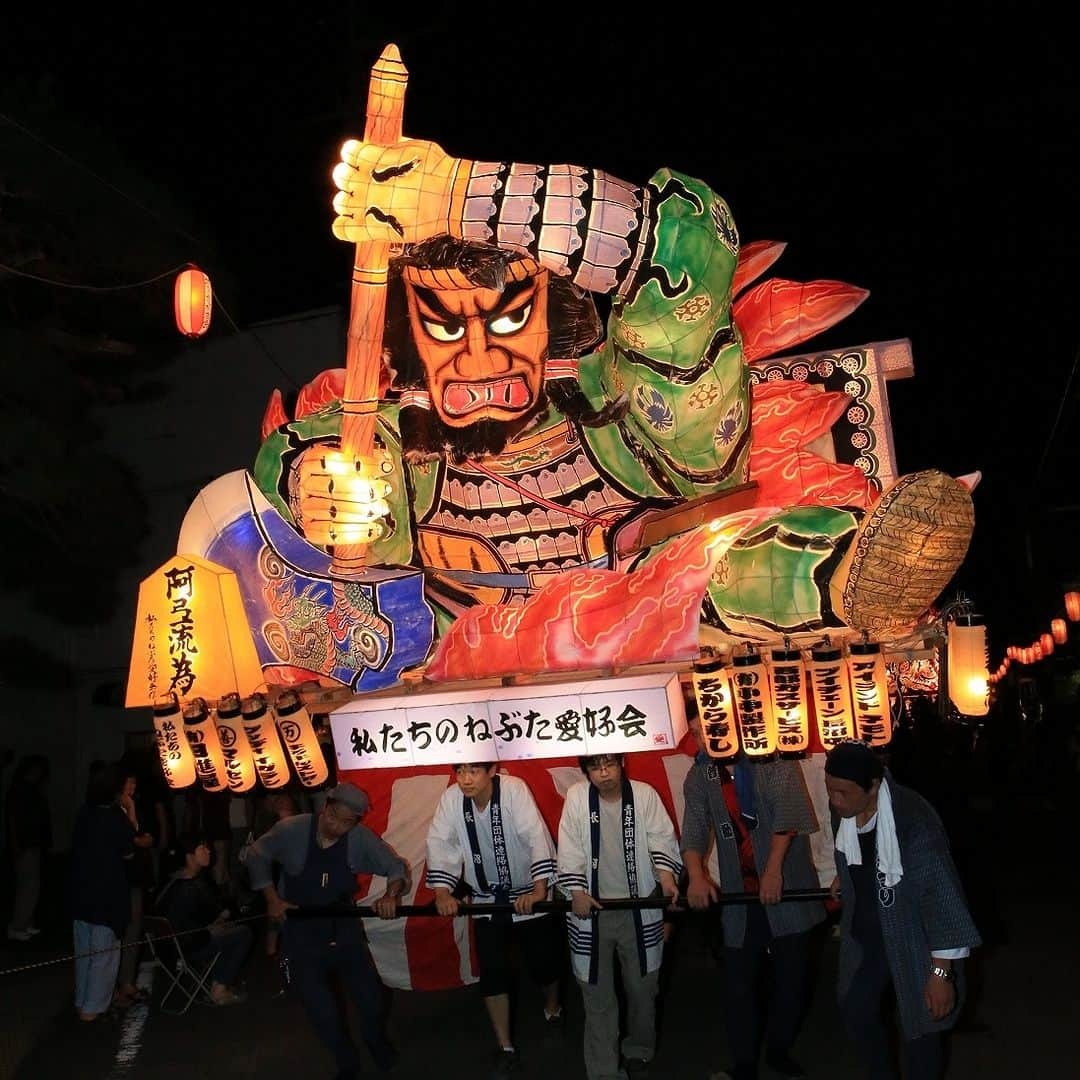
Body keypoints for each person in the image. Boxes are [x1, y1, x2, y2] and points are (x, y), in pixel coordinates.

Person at [680, 711, 825, 1080]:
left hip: (787, 885)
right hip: (739, 897)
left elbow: (788, 818)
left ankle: (778, 1051)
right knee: (738, 984)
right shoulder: (702, 774)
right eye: (694, 732)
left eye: (705, 730)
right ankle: (743, 1064)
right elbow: (695, 829)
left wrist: (773, 870)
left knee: (791, 981)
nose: (699, 739)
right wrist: (696, 875)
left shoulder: (769, 758)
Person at [824, 739, 981, 1079]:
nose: (835, 801)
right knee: (856, 1009)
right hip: (869, 938)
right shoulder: (844, 810)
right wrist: (846, 875)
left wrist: (941, 975)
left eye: (843, 793)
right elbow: (854, 852)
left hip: (915, 940)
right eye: (830, 790)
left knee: (922, 1029)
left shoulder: (913, 819)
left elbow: (940, 896)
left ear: (874, 786)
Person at [244, 782, 409, 1080]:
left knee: (372, 1000)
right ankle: (346, 1062)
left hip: (342, 925)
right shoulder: (292, 830)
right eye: (333, 816)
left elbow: (395, 866)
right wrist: (272, 899)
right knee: (323, 1011)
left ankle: (376, 1042)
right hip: (301, 930)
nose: (335, 826)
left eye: (346, 822)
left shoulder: (359, 839)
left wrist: (391, 894)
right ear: (326, 806)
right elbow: (256, 854)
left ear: (355, 821)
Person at [426, 761, 562, 1076]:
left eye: (473, 771)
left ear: (492, 770)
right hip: (486, 899)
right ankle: (505, 1045)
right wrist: (443, 893)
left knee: (544, 963)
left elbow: (534, 834)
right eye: (459, 771)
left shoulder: (514, 790)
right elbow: (441, 843)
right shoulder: (450, 799)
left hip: (527, 892)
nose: (465, 779)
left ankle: (553, 1009)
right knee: (492, 971)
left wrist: (540, 891)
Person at [557, 753, 682, 1080]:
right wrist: (576, 890)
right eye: (595, 767)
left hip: (639, 909)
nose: (603, 773)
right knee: (597, 995)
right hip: (592, 912)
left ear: (621, 763)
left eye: (609, 765)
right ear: (585, 771)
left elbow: (662, 839)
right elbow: (568, 847)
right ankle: (603, 1071)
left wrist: (666, 876)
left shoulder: (643, 794)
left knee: (643, 988)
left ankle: (640, 1047)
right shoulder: (576, 797)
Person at [68, 763, 149, 1021]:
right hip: (107, 891)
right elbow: (128, 849)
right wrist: (131, 812)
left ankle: (83, 1001)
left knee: (84, 950)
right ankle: (93, 1009)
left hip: (81, 889)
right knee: (104, 953)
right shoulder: (113, 816)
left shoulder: (85, 812)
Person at [156, 831, 253, 1006]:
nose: (208, 851)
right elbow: (201, 924)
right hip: (186, 948)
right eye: (202, 848)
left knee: (227, 930)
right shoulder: (189, 887)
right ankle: (219, 989)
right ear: (189, 856)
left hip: (169, 948)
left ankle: (218, 981)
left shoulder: (172, 881)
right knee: (243, 933)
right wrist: (212, 928)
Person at [114, 768, 155, 1008]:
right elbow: (130, 840)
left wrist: (139, 839)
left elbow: (147, 838)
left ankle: (127, 982)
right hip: (117, 879)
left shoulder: (137, 806)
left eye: (133, 783)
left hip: (136, 877)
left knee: (134, 929)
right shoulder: (111, 811)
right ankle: (115, 987)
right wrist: (136, 839)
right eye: (128, 783)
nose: (131, 788)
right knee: (116, 932)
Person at [6, 754, 52, 941]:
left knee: (31, 885)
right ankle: (18, 925)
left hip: (32, 842)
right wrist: (15, 843)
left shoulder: (29, 789)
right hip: (26, 843)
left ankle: (25, 922)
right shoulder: (20, 790)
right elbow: (12, 819)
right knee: (28, 886)